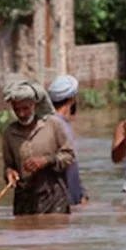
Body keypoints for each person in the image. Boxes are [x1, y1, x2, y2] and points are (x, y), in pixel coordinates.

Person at [1, 79, 76, 215]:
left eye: (25, 108)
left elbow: (69, 156)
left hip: (54, 198)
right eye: (17, 110)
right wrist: (9, 174)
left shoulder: (53, 125)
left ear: (35, 106)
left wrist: (46, 160)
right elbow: (8, 165)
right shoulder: (9, 133)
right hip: (24, 201)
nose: (21, 114)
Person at [47, 75, 88, 206]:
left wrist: (81, 194)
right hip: (62, 199)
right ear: (72, 99)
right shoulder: (58, 125)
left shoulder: (57, 123)